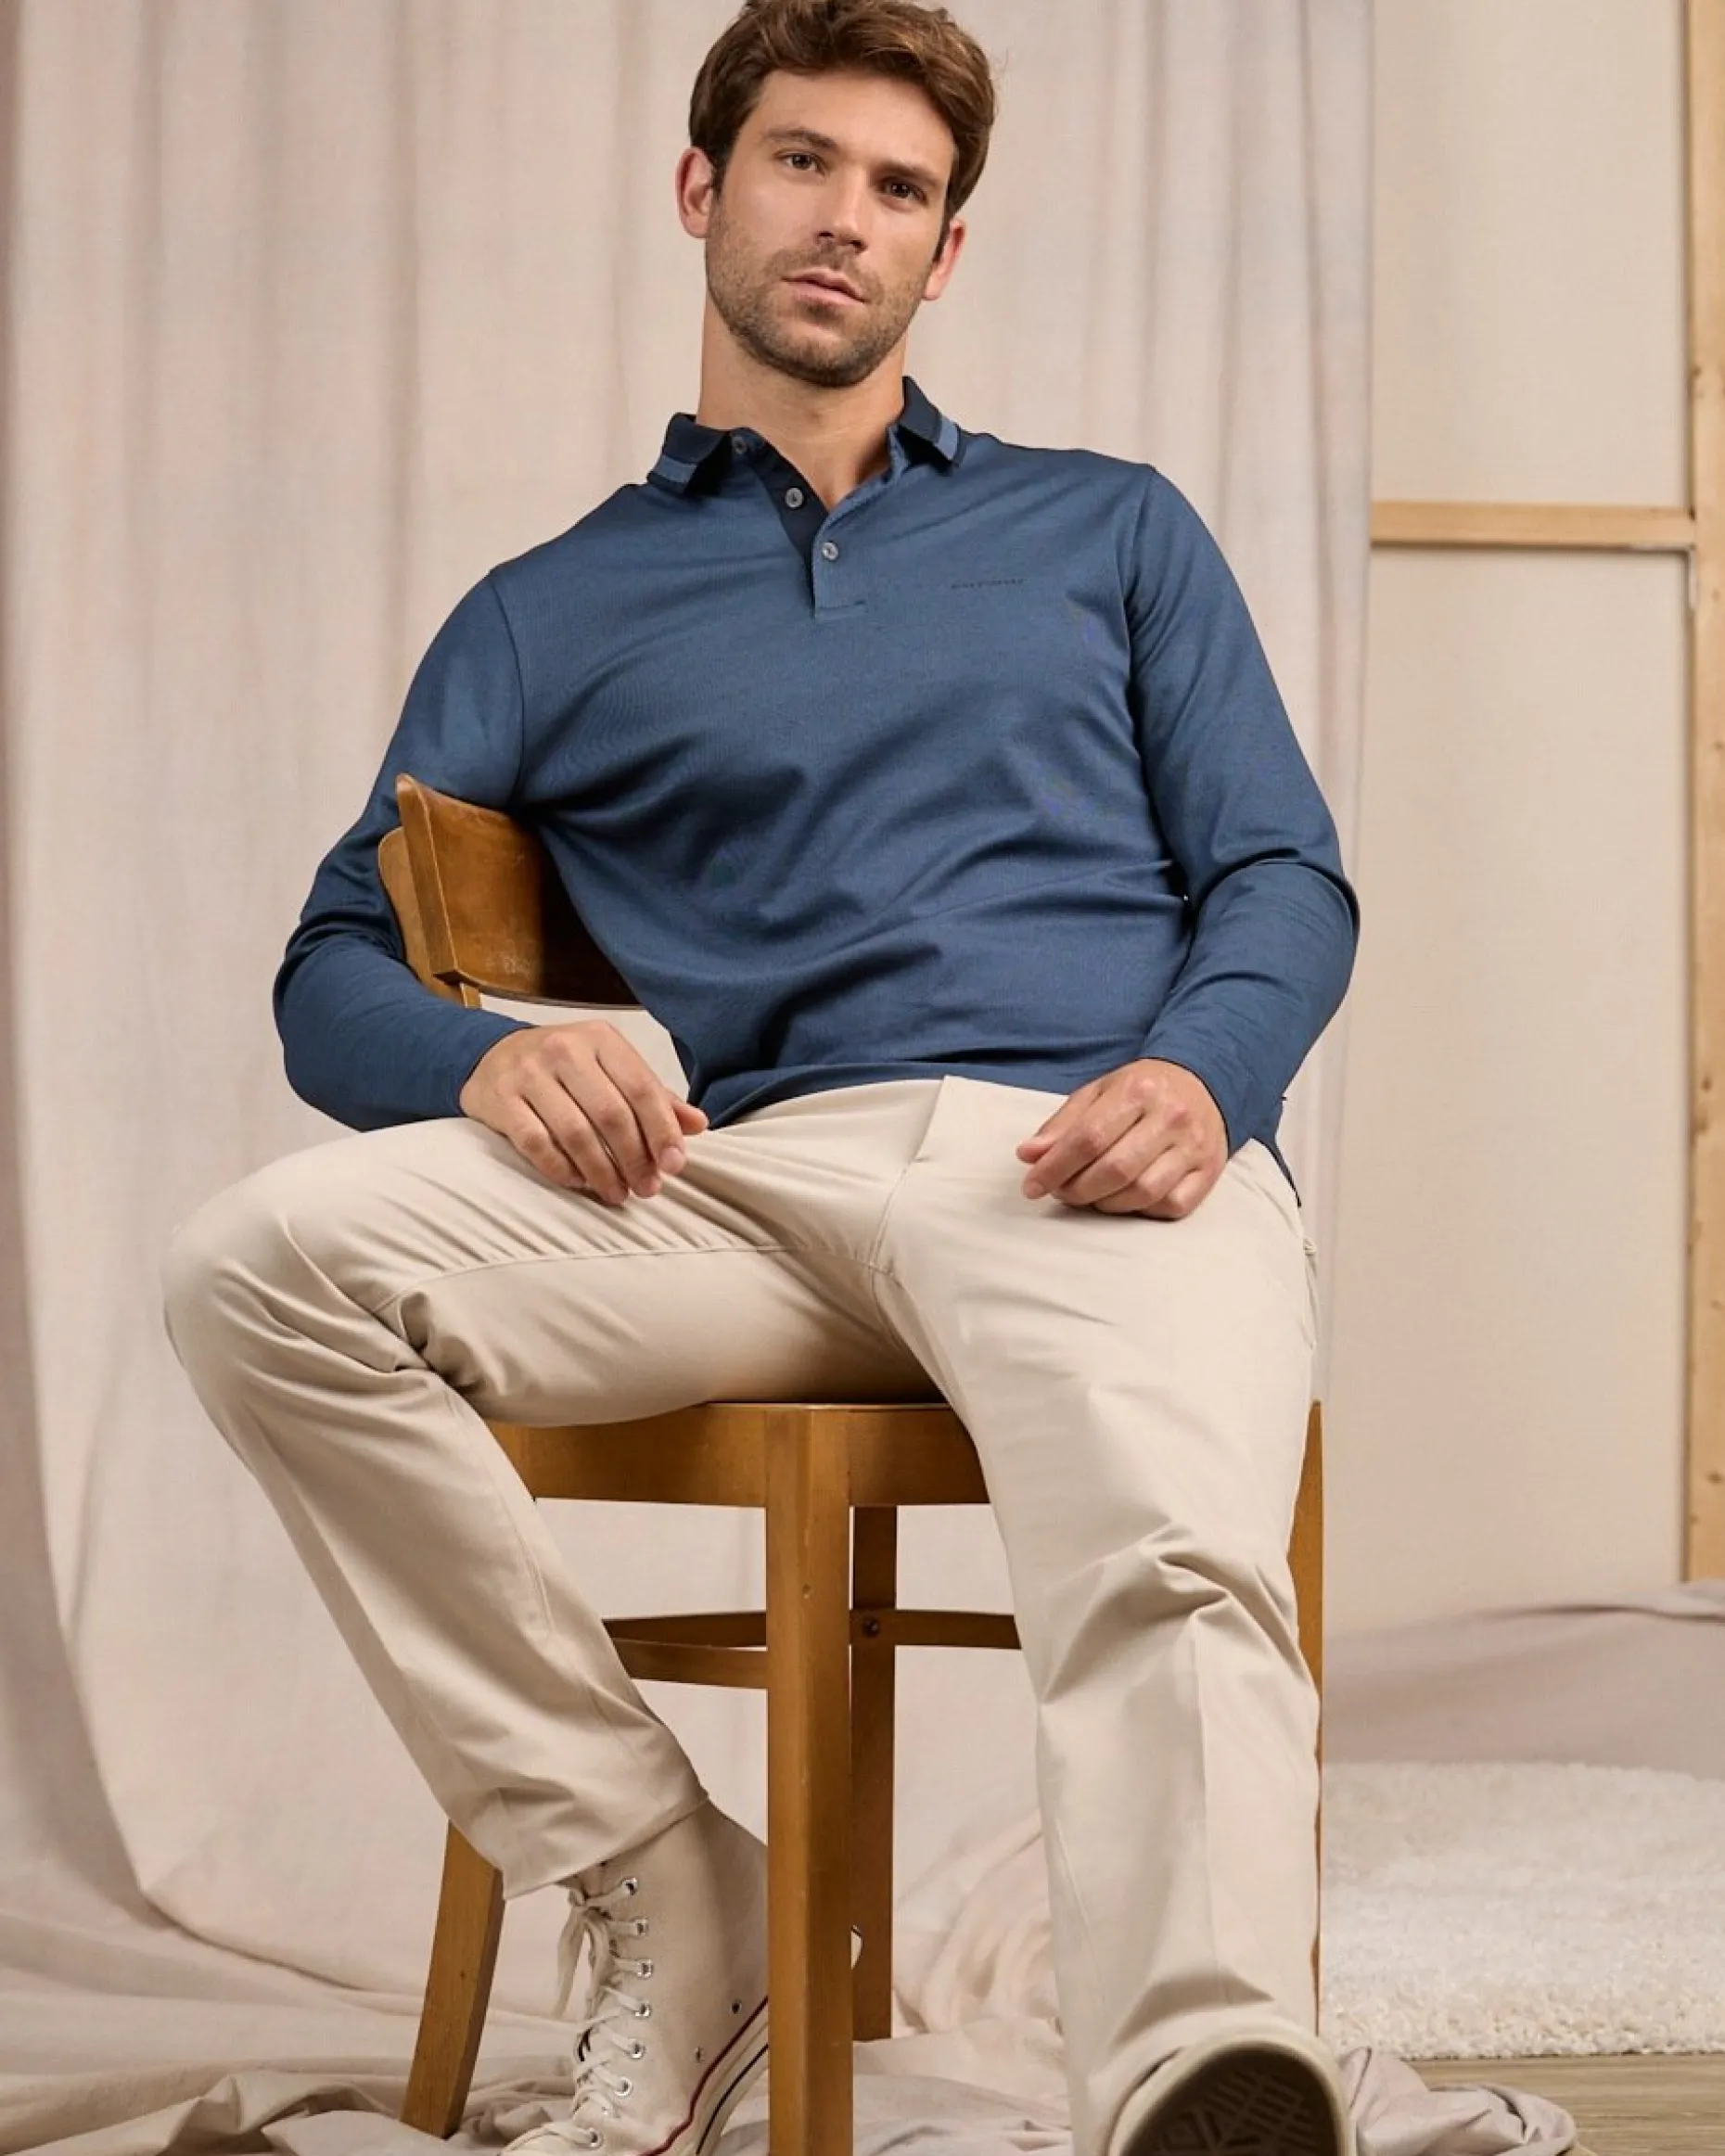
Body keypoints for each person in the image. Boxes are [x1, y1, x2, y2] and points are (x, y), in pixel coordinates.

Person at [163, 3, 1361, 2152]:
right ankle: (662, 1875)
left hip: (1083, 1153)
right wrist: (483, 1066)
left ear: (945, 252)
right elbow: (327, 965)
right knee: (256, 1270)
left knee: (1170, 1551)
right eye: (806, 162)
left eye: (901, 189)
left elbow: (1280, 867)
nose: (848, 220)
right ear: (704, 189)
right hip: (752, 1186)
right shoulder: (550, 608)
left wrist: (1204, 1075)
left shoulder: (1112, 530)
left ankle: (1200, 2065)